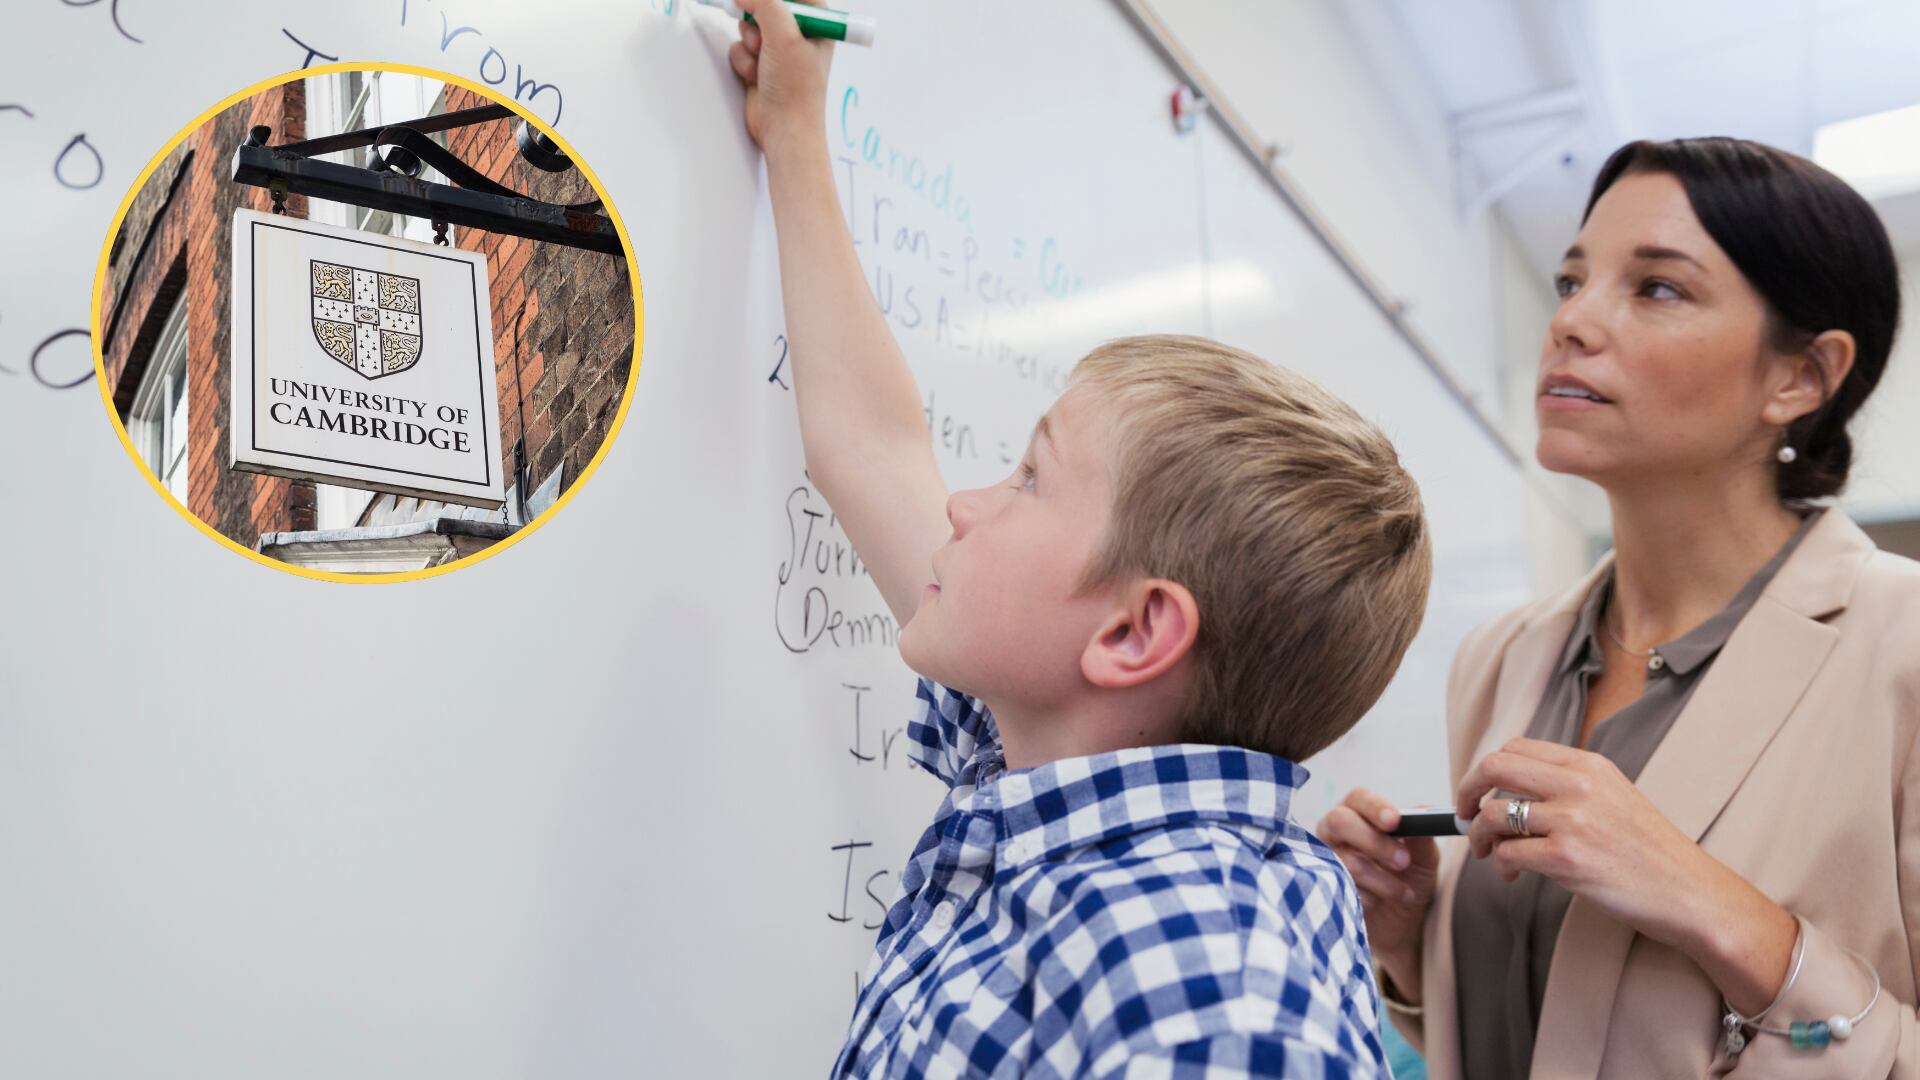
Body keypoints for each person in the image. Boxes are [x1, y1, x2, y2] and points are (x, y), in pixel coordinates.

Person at [724, 0, 1434, 1074]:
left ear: (1135, 633)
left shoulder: (1197, 954)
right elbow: (869, 447)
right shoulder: (1054, 757)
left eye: (1026, 479)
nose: (965, 505)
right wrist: (794, 130)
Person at [1319, 136, 1919, 1077]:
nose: (1573, 323)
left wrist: (1716, 906)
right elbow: (1550, 1036)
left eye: (1658, 289)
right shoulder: (1503, 656)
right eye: (1571, 282)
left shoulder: (1903, 647)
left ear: (1801, 377)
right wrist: (1412, 945)